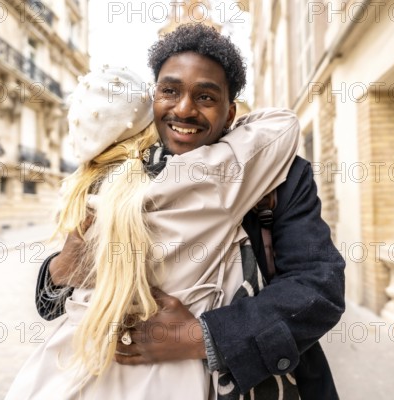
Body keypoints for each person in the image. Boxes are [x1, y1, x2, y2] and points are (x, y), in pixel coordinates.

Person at [37, 24, 345, 399]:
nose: (184, 109)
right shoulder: (115, 175)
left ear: (230, 114)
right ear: (153, 100)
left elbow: (318, 286)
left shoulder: (271, 175)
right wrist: (60, 269)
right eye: (170, 91)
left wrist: (203, 336)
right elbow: (55, 301)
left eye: (205, 97)